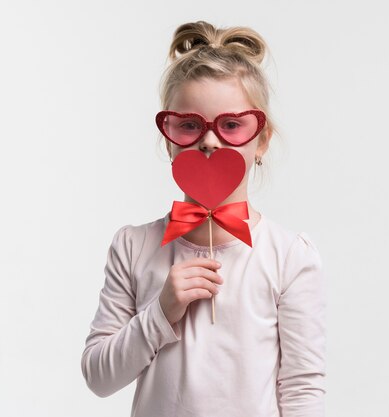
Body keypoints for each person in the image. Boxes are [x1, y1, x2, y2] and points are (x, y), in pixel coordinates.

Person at [81, 21, 327, 417]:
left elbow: (302, 390)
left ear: (261, 139)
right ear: (168, 136)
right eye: (190, 125)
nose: (209, 140)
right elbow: (97, 376)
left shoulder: (289, 257)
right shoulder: (133, 247)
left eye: (231, 125)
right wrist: (160, 312)